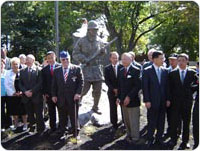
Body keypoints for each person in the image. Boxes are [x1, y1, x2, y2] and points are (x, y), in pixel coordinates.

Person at [73, 20, 106, 114]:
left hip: (96, 69)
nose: (95, 31)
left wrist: (103, 52)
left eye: (96, 29)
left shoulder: (99, 40)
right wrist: (84, 59)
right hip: (86, 69)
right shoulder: (82, 41)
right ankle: (78, 101)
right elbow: (75, 53)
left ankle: (95, 106)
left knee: (98, 90)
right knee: (83, 89)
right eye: (93, 29)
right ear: (89, 30)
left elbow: (102, 54)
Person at [167, 53, 198, 150]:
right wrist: (168, 99)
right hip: (175, 102)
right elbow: (169, 88)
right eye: (179, 60)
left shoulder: (192, 73)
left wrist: (189, 92)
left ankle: (185, 141)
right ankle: (173, 139)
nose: (181, 62)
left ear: (187, 61)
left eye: (183, 60)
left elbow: (195, 86)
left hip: (187, 102)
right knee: (174, 122)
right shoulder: (172, 73)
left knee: (186, 122)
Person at [52, 51, 83, 138]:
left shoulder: (76, 69)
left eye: (67, 59)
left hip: (73, 98)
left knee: (74, 116)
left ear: (70, 59)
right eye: (63, 60)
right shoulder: (56, 70)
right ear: (60, 60)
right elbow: (54, 84)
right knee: (62, 116)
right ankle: (63, 131)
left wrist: (78, 93)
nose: (65, 61)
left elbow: (81, 82)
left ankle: (75, 133)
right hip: (61, 98)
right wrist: (54, 95)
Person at [142, 51, 170, 147]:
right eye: (161, 58)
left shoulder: (165, 71)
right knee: (152, 121)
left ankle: (159, 138)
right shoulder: (147, 70)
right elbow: (145, 87)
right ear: (154, 59)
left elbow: (167, 87)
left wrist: (168, 99)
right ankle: (150, 138)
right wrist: (147, 100)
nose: (163, 60)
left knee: (161, 121)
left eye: (163, 58)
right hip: (152, 101)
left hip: (163, 101)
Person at [116, 53, 141, 144]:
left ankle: (135, 138)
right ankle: (129, 135)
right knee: (126, 120)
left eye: (125, 59)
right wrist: (118, 98)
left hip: (133, 100)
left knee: (133, 120)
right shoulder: (121, 70)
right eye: (122, 59)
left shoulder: (136, 70)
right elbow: (119, 86)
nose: (123, 61)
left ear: (131, 60)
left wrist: (129, 97)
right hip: (123, 101)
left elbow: (137, 86)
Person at [19, 54, 45, 136]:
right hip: (26, 96)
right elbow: (20, 83)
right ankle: (32, 127)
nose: (27, 62)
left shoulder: (39, 70)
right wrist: (25, 91)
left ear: (33, 61)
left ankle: (40, 129)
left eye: (29, 60)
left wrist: (32, 91)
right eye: (26, 60)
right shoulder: (22, 71)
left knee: (39, 113)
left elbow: (40, 83)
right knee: (29, 113)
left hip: (36, 96)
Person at [5, 57, 28, 131]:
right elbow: (6, 84)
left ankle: (25, 124)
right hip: (12, 96)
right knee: (14, 111)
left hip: (22, 95)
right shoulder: (8, 73)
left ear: (19, 64)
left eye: (17, 64)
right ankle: (15, 125)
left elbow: (25, 84)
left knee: (23, 111)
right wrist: (13, 93)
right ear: (11, 65)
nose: (15, 66)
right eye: (13, 64)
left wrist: (22, 92)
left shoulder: (22, 72)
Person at [42, 51, 60, 134]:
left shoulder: (60, 67)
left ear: (55, 57)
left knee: (61, 111)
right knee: (51, 112)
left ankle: (62, 127)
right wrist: (45, 93)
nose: (50, 59)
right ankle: (52, 127)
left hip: (60, 94)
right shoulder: (44, 70)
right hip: (49, 95)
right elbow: (43, 83)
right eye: (48, 58)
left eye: (52, 57)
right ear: (47, 59)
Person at [104, 52, 123, 132]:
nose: (115, 59)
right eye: (113, 58)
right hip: (111, 92)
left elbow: (124, 80)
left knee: (123, 107)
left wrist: (119, 89)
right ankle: (114, 125)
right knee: (113, 108)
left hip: (122, 91)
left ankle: (125, 123)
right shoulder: (107, 68)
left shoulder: (122, 67)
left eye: (116, 57)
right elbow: (107, 81)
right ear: (110, 59)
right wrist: (113, 89)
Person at [164, 53, 178, 139]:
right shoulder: (166, 71)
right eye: (170, 60)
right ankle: (170, 130)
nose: (171, 61)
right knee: (169, 115)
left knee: (178, 116)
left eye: (173, 60)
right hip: (168, 98)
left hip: (178, 98)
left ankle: (177, 131)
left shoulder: (180, 71)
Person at [1, 59, 12, 131]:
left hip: (8, 93)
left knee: (9, 109)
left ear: (4, 65)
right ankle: (2, 125)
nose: (1, 66)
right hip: (1, 95)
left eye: (1, 64)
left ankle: (9, 124)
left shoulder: (8, 72)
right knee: (1, 110)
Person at [192, 66, 199, 149]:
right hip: (198, 103)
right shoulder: (196, 75)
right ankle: (196, 143)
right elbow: (192, 88)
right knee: (196, 124)